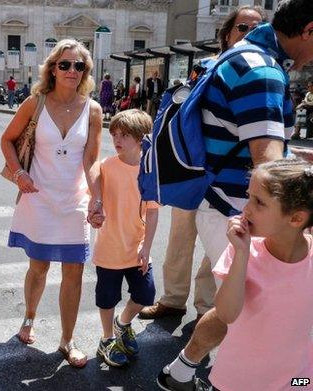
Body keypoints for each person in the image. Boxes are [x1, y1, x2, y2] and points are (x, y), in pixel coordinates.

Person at [157, 1, 313, 389]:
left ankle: (182, 369)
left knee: (244, 302)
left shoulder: (248, 57)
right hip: (245, 210)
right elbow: (269, 168)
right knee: (254, 309)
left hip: (230, 202)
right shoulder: (261, 71)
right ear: (309, 30)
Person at [140, 4, 266, 324]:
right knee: (180, 239)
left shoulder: (264, 73)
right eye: (243, 29)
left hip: (231, 179)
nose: (251, 35)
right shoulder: (208, 67)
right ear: (226, 35)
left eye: (257, 29)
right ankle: (172, 300)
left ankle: (206, 307)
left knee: (219, 248)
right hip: (194, 171)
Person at [1, 38, 103, 368]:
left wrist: (96, 199)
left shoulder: (94, 110)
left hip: (74, 202)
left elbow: (90, 160)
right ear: (53, 69)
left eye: (79, 66)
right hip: (38, 198)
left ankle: (67, 340)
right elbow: (7, 140)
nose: (72, 71)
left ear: (85, 72)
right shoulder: (36, 103)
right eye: (65, 64)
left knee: (74, 273)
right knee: (39, 267)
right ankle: (29, 318)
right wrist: (18, 173)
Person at [210, 158, 313, 390]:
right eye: (249, 196)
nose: (246, 208)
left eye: (259, 202)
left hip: (298, 380)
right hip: (237, 381)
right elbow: (226, 313)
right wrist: (241, 253)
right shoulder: (244, 252)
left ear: (296, 219)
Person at [91, 109, 158, 367]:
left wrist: (146, 246)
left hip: (137, 248)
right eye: (115, 134)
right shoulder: (106, 167)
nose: (117, 139)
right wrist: (94, 212)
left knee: (145, 293)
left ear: (141, 139)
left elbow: (152, 213)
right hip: (109, 247)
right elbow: (94, 199)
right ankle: (107, 339)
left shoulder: (149, 170)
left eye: (125, 135)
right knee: (106, 298)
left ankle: (123, 324)